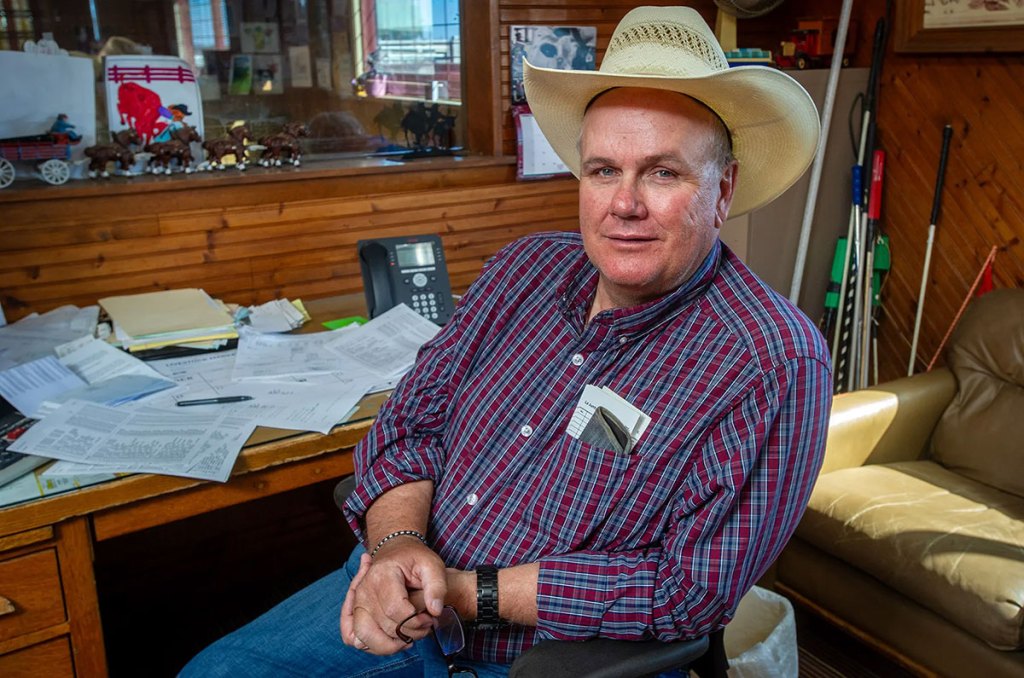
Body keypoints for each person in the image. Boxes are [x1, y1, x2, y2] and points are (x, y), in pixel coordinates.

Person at [181, 6, 831, 677]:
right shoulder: (525, 269)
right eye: (604, 170)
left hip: (526, 659)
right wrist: (400, 546)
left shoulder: (773, 363)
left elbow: (686, 591)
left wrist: (465, 594)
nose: (625, 203)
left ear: (721, 190)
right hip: (390, 583)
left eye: (663, 173)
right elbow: (411, 422)